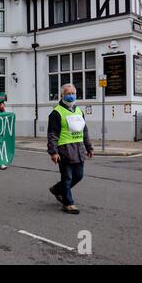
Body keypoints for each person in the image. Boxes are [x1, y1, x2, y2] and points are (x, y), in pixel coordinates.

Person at [47, 84, 94, 215]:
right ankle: (68, 203)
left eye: (73, 93)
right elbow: (52, 134)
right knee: (67, 178)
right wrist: (53, 152)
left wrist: (89, 147)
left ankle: (57, 189)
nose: (71, 95)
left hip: (79, 150)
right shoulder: (56, 113)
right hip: (64, 151)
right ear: (62, 95)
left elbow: (84, 131)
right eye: (68, 93)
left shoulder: (79, 111)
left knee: (78, 176)